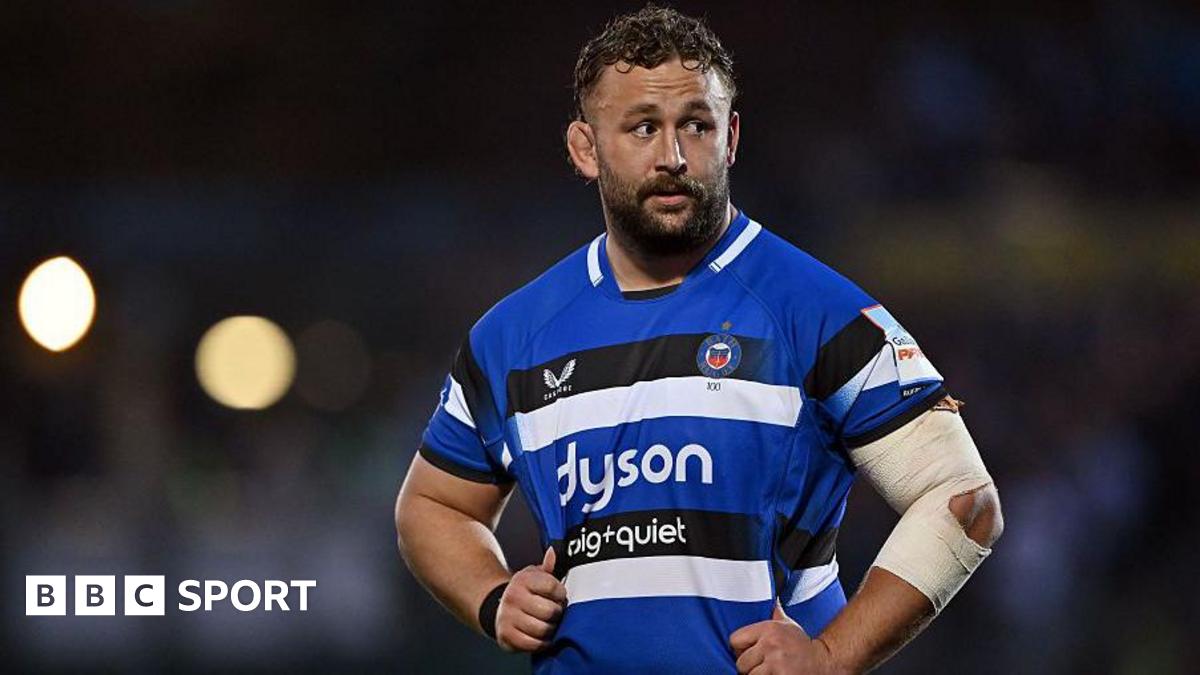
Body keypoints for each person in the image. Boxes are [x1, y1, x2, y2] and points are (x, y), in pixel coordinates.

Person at [394, 6, 1003, 673]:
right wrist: (491, 597)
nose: (674, 156)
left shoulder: (817, 310)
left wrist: (831, 656)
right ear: (585, 148)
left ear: (730, 136)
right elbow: (433, 505)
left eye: (696, 125)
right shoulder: (511, 336)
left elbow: (962, 499)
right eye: (643, 128)